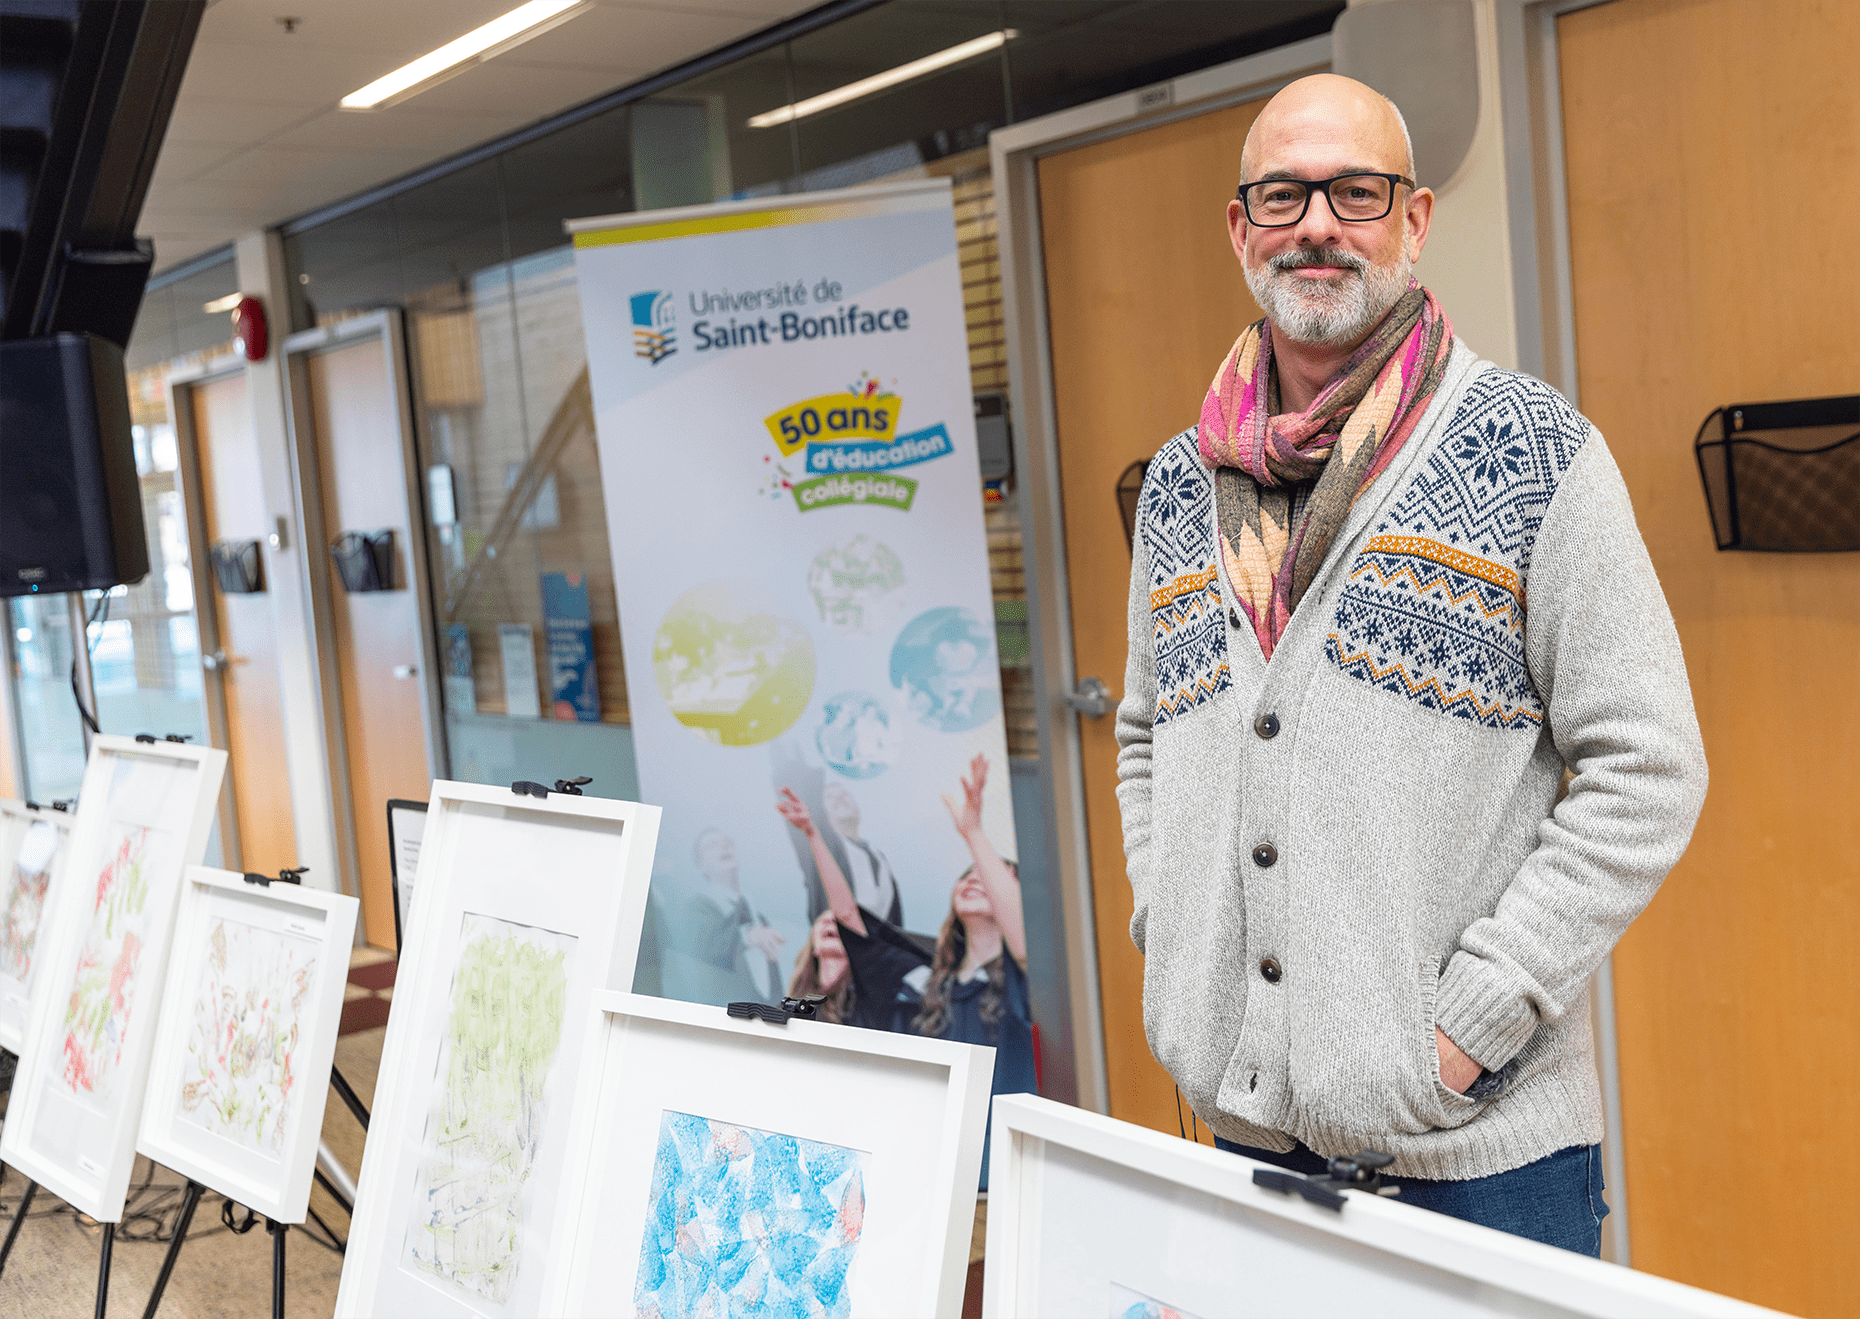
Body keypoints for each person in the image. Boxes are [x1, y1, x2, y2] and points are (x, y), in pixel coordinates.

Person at [1114, 74, 1706, 1257]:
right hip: (1244, 1137)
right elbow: (1147, 732)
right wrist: (1172, 929)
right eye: (1283, 194)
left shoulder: (1538, 453)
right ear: (1242, 227)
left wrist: (1470, 1026)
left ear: (1415, 220)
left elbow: (1648, 767)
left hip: (1475, 1159)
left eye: (1356, 191)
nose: (1318, 223)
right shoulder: (1184, 480)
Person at [776, 756, 1037, 1182]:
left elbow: (1023, 945)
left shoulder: (1022, 981)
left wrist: (973, 834)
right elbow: (850, 923)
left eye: (993, 877)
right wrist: (814, 836)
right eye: (967, 875)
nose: (976, 879)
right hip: (930, 1176)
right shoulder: (925, 984)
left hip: (1003, 1177)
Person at [657, 827, 786, 1004]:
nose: (724, 847)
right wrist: (747, 936)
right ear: (700, 865)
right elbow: (707, 951)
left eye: (727, 842)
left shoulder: (758, 917)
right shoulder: (695, 910)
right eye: (712, 845)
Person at [821, 781, 904, 927]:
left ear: (858, 810)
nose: (839, 799)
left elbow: (895, 913)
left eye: (844, 795)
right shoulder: (825, 854)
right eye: (830, 798)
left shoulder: (878, 857)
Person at [785, 910, 855, 1025]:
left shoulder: (867, 1007)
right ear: (814, 948)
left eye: (840, 922)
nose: (830, 920)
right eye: (823, 920)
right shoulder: (791, 1013)